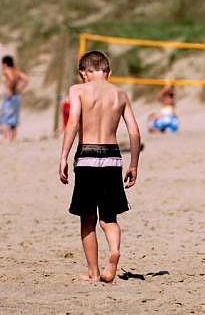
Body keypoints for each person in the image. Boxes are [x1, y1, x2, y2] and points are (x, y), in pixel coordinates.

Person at [58, 50, 141, 283]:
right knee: (109, 217)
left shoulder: (78, 90)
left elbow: (73, 122)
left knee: (87, 219)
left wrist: (63, 156)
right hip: (113, 157)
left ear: (83, 73)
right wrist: (134, 164)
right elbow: (134, 131)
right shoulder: (120, 93)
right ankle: (114, 250)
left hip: (87, 157)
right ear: (108, 72)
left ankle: (94, 272)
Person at [0, 55, 29, 143]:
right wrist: (19, 89)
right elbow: (26, 79)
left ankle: (6, 138)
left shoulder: (7, 70)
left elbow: (11, 79)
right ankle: (12, 138)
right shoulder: (16, 71)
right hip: (16, 96)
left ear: (5, 63)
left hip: (10, 96)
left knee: (4, 119)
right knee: (13, 119)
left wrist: (9, 89)